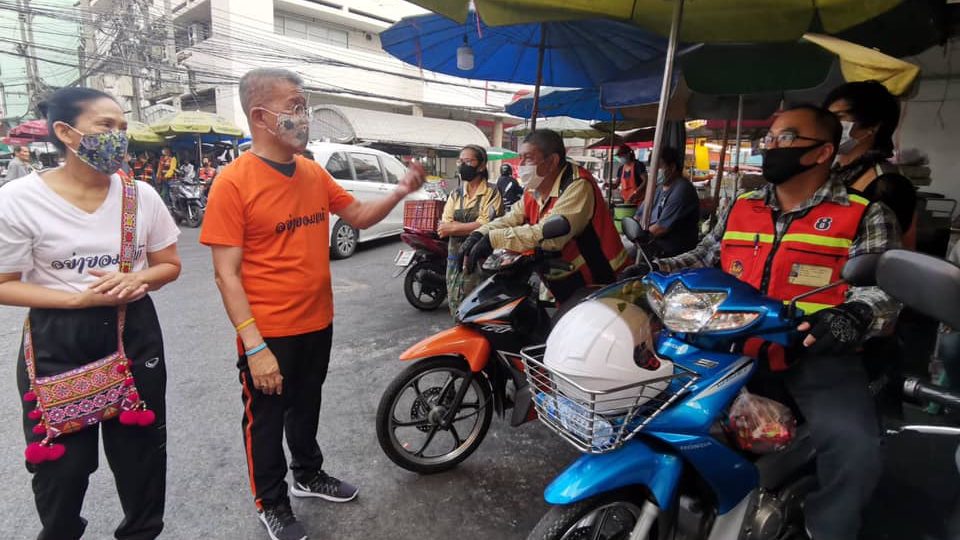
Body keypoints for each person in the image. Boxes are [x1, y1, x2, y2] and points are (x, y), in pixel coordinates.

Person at [632, 105, 900, 540]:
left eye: (784, 139)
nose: (770, 148)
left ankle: (825, 526)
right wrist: (654, 268)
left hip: (815, 354)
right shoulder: (742, 204)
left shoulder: (864, 214)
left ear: (821, 152)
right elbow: (705, 257)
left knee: (856, 449)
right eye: (768, 139)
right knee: (645, 407)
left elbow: (884, 291)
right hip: (724, 344)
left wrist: (855, 314)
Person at [199, 68, 425, 540]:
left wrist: (399, 192)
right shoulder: (233, 182)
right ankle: (272, 501)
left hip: (316, 321)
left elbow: (358, 215)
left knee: (307, 404)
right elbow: (226, 274)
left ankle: (308, 473)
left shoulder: (312, 172)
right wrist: (254, 346)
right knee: (265, 421)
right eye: (296, 107)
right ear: (261, 116)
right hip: (268, 331)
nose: (304, 117)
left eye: (304, 107)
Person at [0, 87, 181, 539]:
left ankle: (141, 532)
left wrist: (141, 279)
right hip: (58, 338)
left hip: (132, 332)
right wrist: (79, 299)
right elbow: (4, 284)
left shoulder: (141, 197)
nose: (118, 137)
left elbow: (170, 264)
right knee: (62, 469)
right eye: (106, 126)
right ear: (66, 132)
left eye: (122, 127)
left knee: (142, 458)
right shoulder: (20, 199)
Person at [462, 129, 628, 304]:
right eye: (521, 158)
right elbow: (511, 218)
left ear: (552, 161)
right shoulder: (534, 187)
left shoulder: (578, 186)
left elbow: (548, 235)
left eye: (528, 158)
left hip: (602, 281)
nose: (522, 164)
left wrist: (492, 239)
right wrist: (478, 234)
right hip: (567, 279)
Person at [824, 80, 917, 249]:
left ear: (873, 125)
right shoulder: (835, 171)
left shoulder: (887, 183)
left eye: (838, 117)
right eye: (825, 118)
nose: (827, 125)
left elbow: (888, 253)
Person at [437, 145, 503, 315]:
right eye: (461, 161)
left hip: (479, 259)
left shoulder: (492, 192)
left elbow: (488, 224)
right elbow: (444, 226)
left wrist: (455, 228)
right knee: (456, 305)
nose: (463, 165)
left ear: (481, 166)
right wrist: (471, 226)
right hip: (455, 261)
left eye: (468, 161)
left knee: (477, 306)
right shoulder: (455, 194)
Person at [634, 147, 700, 257]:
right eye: (652, 168)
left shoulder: (682, 189)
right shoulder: (658, 189)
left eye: (659, 167)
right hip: (655, 244)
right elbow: (639, 214)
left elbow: (661, 228)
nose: (654, 172)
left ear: (672, 167)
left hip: (673, 250)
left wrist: (639, 237)